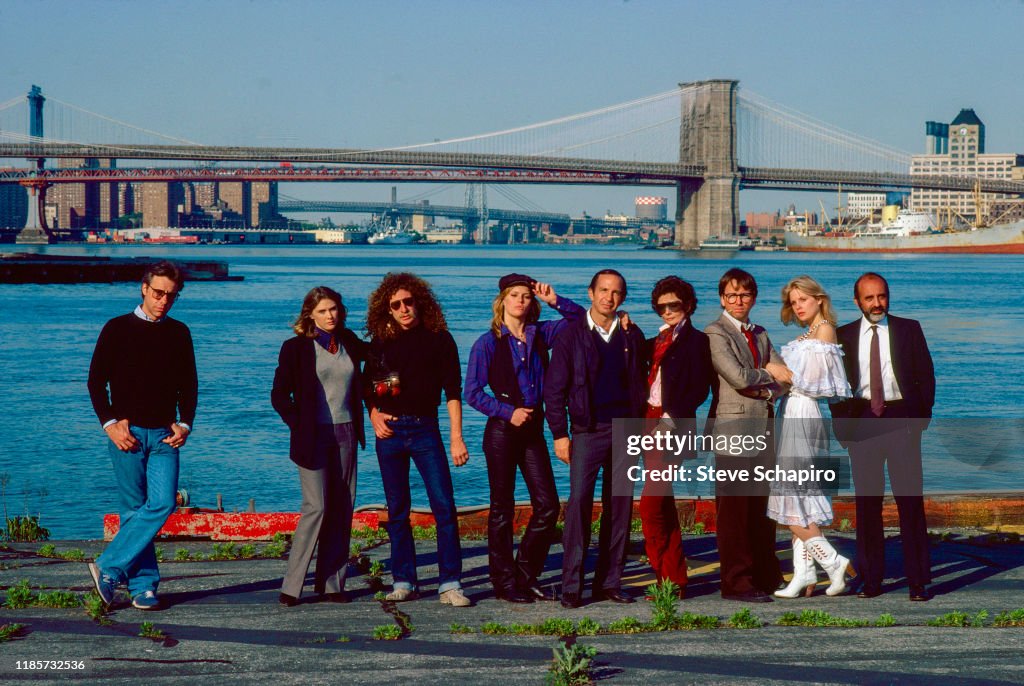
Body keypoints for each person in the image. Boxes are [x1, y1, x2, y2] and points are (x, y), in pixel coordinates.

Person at [465, 274, 584, 603]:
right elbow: (472, 393)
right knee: (501, 509)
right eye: (514, 295)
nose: (520, 300)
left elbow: (581, 322)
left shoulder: (541, 333)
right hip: (502, 432)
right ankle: (503, 583)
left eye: (526, 296)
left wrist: (554, 300)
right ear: (502, 300)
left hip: (533, 430)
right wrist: (506, 411)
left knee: (547, 505)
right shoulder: (487, 342)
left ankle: (525, 574)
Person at [86, 261, 197, 611]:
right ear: (144, 288)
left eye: (172, 296)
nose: (164, 300)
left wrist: (186, 423)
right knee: (133, 510)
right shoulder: (117, 328)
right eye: (159, 293)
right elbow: (95, 382)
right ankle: (144, 586)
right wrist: (110, 423)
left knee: (162, 503)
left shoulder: (179, 332)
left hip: (165, 434)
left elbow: (190, 386)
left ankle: (108, 566)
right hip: (127, 434)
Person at [364, 272, 471, 607]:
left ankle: (450, 583)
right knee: (397, 510)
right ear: (388, 310)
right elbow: (366, 386)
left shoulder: (439, 339)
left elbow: (454, 391)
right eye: (396, 305)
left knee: (444, 506)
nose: (403, 309)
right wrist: (374, 414)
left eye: (408, 302)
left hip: (426, 430)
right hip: (391, 433)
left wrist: (457, 438)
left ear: (419, 302)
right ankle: (404, 580)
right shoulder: (380, 341)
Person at [544, 269, 647, 609]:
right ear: (590, 293)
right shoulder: (570, 335)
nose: (609, 297)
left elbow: (642, 385)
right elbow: (554, 390)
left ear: (623, 298)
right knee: (578, 506)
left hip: (626, 430)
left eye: (616, 292)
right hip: (587, 431)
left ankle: (609, 583)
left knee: (620, 507)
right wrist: (560, 433)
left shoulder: (632, 336)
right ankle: (572, 586)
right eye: (603, 290)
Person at [831, 272, 935, 601]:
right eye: (869, 298)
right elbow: (834, 387)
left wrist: (919, 420)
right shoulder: (841, 335)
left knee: (910, 502)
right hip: (863, 421)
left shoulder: (909, 329)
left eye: (882, 296)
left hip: (901, 420)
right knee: (867, 505)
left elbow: (926, 376)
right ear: (857, 301)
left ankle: (918, 581)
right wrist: (844, 431)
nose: (877, 304)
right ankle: (871, 579)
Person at [271, 286, 366, 607]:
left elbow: (378, 359)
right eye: (324, 310)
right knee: (317, 507)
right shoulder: (295, 348)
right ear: (310, 313)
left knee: (343, 508)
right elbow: (279, 395)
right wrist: (299, 424)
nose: (331, 316)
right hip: (312, 436)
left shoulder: (349, 342)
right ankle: (292, 585)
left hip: (347, 432)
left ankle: (332, 584)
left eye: (335, 309)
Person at [767, 276, 856, 599]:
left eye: (803, 299)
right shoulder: (806, 335)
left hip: (804, 416)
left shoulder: (825, 331)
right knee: (799, 498)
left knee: (789, 494)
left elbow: (819, 384)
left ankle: (833, 562)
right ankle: (803, 574)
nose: (798, 306)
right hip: (791, 413)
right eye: (793, 302)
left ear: (819, 299)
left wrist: (781, 373)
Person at [704, 268, 788, 603]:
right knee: (735, 510)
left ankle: (765, 575)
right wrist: (768, 373)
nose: (739, 301)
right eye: (732, 295)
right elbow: (738, 377)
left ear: (753, 297)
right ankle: (736, 583)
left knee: (761, 506)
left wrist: (768, 391)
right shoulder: (715, 333)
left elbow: (786, 379)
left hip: (764, 425)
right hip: (732, 429)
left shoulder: (762, 333)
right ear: (722, 298)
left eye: (745, 295)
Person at [639, 276, 713, 598]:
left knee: (650, 504)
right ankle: (673, 580)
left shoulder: (697, 341)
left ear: (688, 305)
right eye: (662, 306)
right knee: (664, 503)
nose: (667, 311)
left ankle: (663, 574)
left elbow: (700, 389)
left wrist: (669, 420)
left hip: (672, 425)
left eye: (674, 305)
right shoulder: (656, 340)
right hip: (645, 420)